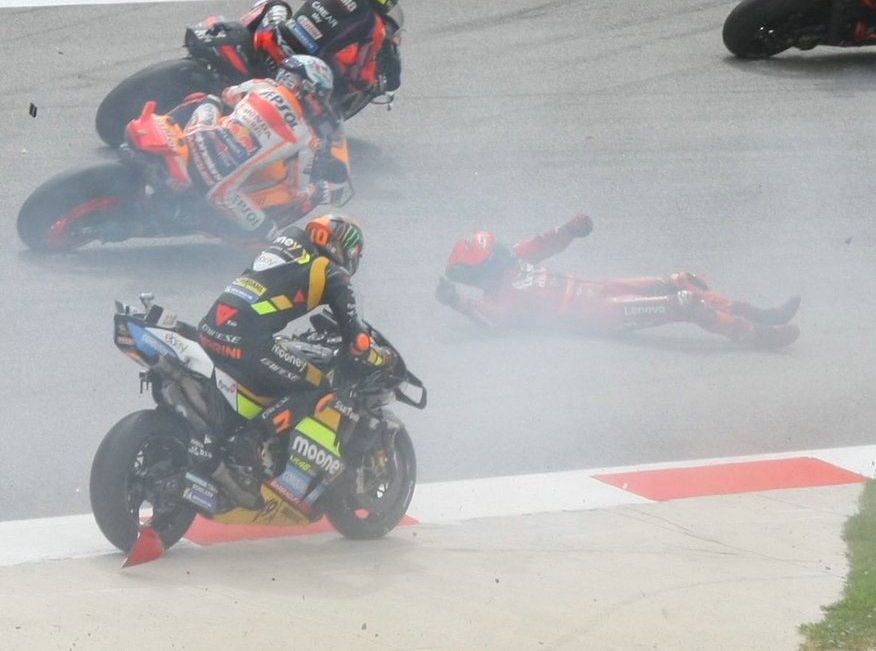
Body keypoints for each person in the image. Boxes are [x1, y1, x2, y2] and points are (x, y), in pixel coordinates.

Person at [195, 213, 387, 507]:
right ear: (345, 247)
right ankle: (252, 439)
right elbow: (357, 339)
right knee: (318, 385)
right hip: (247, 341)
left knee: (279, 371)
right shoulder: (332, 272)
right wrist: (378, 356)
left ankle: (233, 438)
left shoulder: (289, 242)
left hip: (210, 330)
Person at [435, 215, 802, 348]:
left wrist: (571, 230)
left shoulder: (514, 258)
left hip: (599, 287)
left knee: (681, 281)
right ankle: (757, 336)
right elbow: (490, 318)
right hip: (599, 315)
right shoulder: (502, 296)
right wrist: (457, 302)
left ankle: (764, 314)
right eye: (496, 253)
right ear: (484, 271)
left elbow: (546, 243)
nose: (504, 251)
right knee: (687, 306)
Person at [156, 54, 349, 241]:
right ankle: (192, 221)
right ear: (307, 89)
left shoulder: (262, 85)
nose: (321, 103)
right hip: (218, 187)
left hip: (196, 139)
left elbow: (227, 95)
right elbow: (297, 192)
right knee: (269, 231)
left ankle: (159, 127)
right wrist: (319, 190)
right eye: (321, 95)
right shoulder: (307, 138)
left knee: (209, 99)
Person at [251, 0, 406, 101]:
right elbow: (361, 73)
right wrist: (368, 85)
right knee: (344, 82)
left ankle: (242, 36)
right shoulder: (374, 24)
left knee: (275, 3)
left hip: (270, 41)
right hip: (300, 72)